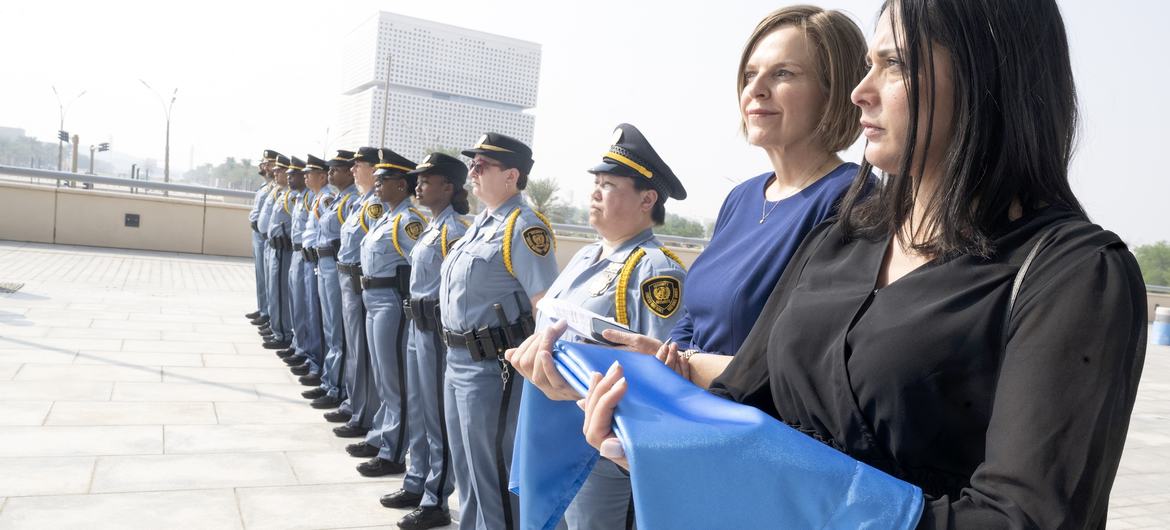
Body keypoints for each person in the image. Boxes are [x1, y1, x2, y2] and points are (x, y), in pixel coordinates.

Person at [580, 1, 1147, 528]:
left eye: (894, 65)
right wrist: (644, 436)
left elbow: (1020, 517)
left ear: (987, 78)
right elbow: (739, 401)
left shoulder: (1072, 274)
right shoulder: (841, 238)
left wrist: (785, 487)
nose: (860, 92)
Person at [595, 6, 870, 361]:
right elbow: (692, 320)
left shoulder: (851, 199)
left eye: (783, 73)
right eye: (750, 74)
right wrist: (663, 358)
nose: (755, 89)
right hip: (694, 402)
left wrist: (690, 367)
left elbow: (809, 357)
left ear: (834, 92)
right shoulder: (741, 197)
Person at [509, 123, 688, 530]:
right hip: (554, 429)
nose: (594, 192)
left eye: (608, 185)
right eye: (596, 182)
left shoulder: (655, 270)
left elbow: (661, 368)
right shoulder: (587, 257)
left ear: (647, 199)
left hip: (598, 445)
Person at [440, 133, 558, 530]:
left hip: (492, 370)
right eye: (472, 164)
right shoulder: (481, 225)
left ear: (511, 175)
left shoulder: (524, 228)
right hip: (456, 360)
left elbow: (544, 305)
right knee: (469, 473)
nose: (472, 172)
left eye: (482, 166)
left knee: (492, 472)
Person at [380, 152, 471, 529]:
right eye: (418, 179)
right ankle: (416, 481)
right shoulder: (434, 226)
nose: (419, 184)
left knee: (436, 415)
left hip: (434, 330)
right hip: (416, 325)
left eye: (427, 179)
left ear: (448, 187)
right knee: (418, 409)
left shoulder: (455, 231)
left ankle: (436, 499)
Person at [355, 148, 428, 478]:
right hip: (372, 299)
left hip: (390, 302)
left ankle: (393, 452)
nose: (377, 184)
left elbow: (423, 266)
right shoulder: (386, 217)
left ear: (401, 185)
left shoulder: (409, 222)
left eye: (384, 180)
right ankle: (381, 436)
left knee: (395, 380)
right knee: (384, 378)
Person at [304, 150, 359, 425]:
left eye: (336, 169)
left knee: (337, 330)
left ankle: (336, 387)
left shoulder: (353, 202)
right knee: (329, 327)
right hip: (325, 264)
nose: (330, 174)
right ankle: (330, 380)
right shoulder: (340, 199)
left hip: (337, 266)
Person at [288, 155, 328, 386]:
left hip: (318, 261)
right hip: (304, 255)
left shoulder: (326, 198)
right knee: (302, 306)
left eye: (308, 173)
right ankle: (304, 351)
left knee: (315, 313)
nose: (304, 176)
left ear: (321, 176)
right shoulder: (314, 198)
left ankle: (315, 360)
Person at [262, 154, 294, 350]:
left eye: (281, 171)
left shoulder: (294, 196)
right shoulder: (282, 193)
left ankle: (282, 333)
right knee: (272, 289)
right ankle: (276, 326)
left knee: (281, 292)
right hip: (271, 244)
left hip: (285, 248)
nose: (277, 173)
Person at [245, 149, 278, 326]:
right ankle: (262, 307)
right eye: (263, 163)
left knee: (268, 277)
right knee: (260, 274)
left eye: (268, 163)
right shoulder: (264, 187)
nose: (264, 166)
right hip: (257, 234)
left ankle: (268, 312)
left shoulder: (276, 189)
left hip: (266, 236)